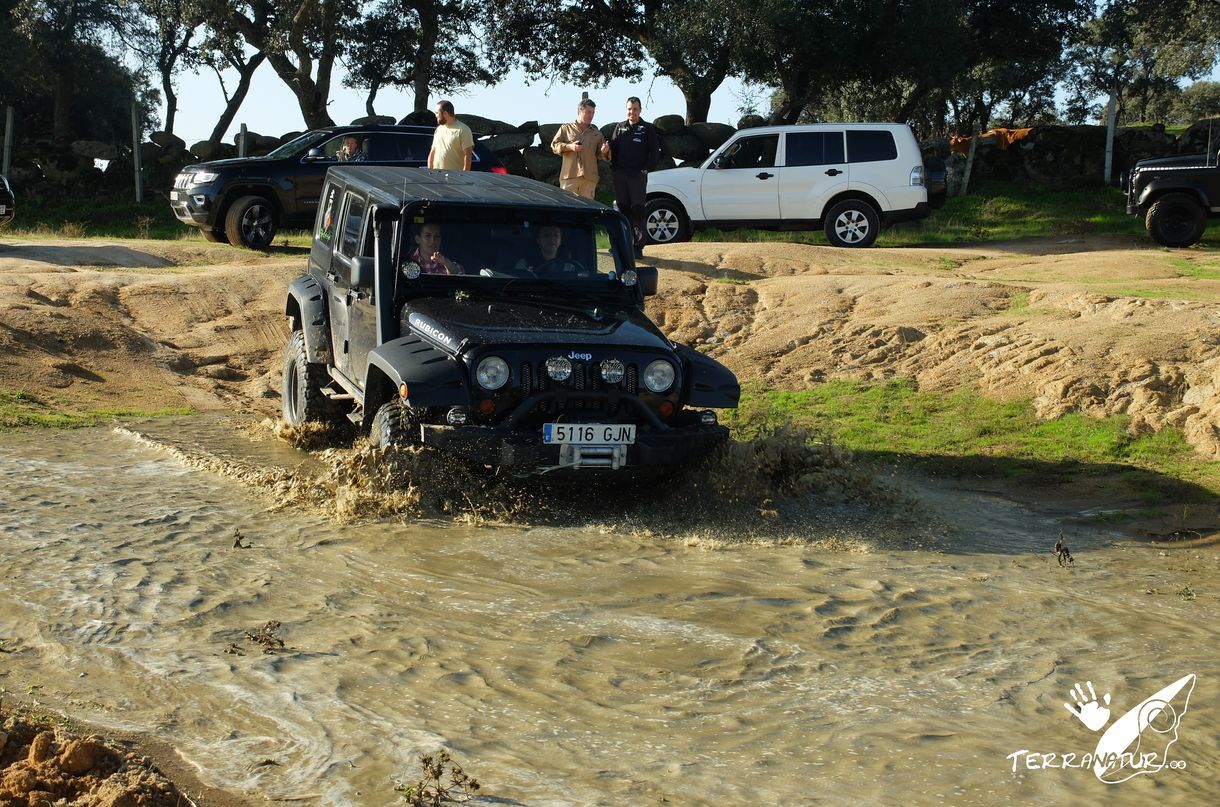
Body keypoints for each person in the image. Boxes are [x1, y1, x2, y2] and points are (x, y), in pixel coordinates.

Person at [601, 96, 659, 255]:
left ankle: (638, 246)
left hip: (637, 175)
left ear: (640, 110)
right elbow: (612, 148)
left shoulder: (647, 128)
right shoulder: (619, 127)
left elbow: (654, 152)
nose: (631, 112)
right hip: (620, 174)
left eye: (634, 109)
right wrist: (606, 151)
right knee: (621, 209)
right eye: (629, 109)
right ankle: (621, 245)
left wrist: (646, 169)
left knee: (638, 209)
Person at [551, 98, 607, 199]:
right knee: (567, 209)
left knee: (587, 211)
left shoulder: (597, 134)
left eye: (593, 113)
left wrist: (605, 151)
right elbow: (554, 146)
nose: (591, 115)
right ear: (580, 110)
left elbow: (602, 155)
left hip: (589, 179)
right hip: (569, 177)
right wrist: (570, 147)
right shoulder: (565, 128)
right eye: (588, 112)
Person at [427, 100, 474, 171]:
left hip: (455, 177)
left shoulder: (463, 129)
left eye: (437, 113)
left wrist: (465, 174)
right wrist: (429, 171)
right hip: (437, 176)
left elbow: (468, 155)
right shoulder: (439, 129)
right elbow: (433, 151)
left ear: (445, 113)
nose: (435, 115)